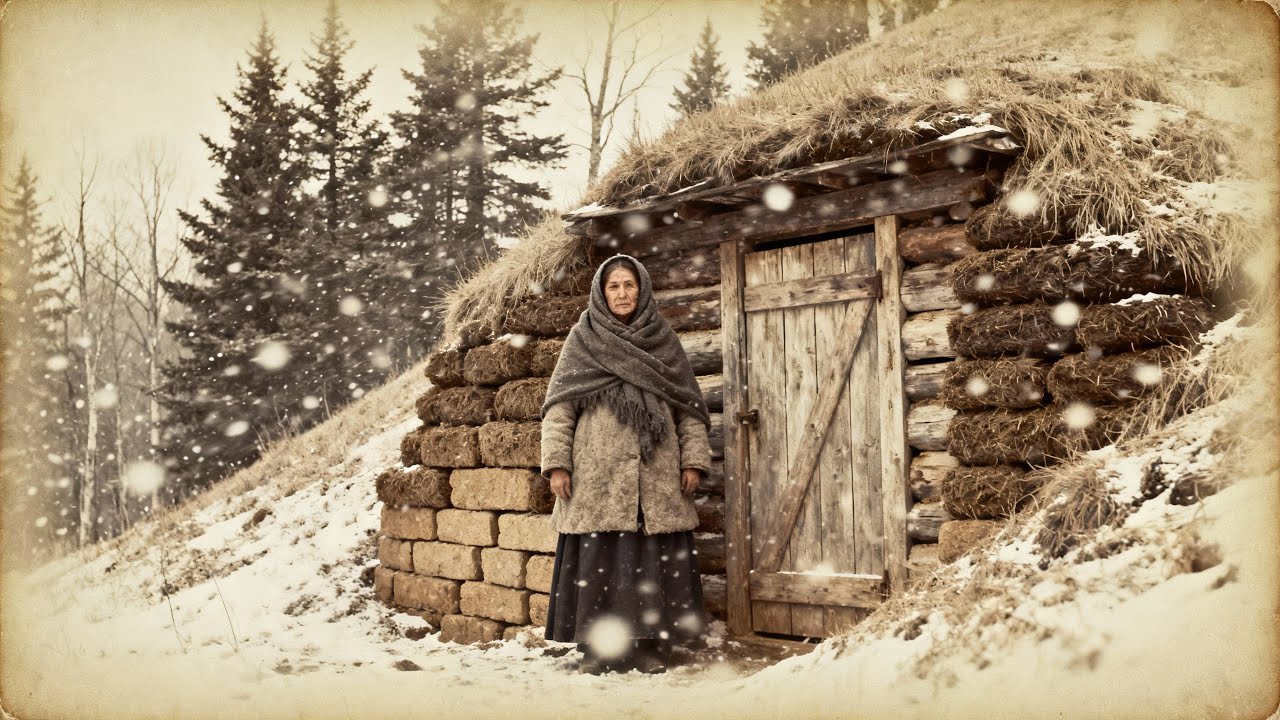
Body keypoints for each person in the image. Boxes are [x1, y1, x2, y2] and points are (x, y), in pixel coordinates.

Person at [540, 253, 712, 675]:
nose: (622, 293)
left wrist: (693, 461)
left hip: (655, 475)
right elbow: (560, 410)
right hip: (597, 477)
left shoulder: (662, 341)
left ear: (643, 290)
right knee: (601, 566)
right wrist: (557, 464)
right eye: (614, 286)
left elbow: (688, 409)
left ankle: (651, 647)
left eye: (629, 285)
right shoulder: (583, 340)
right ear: (601, 292)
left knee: (651, 562)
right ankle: (599, 649)